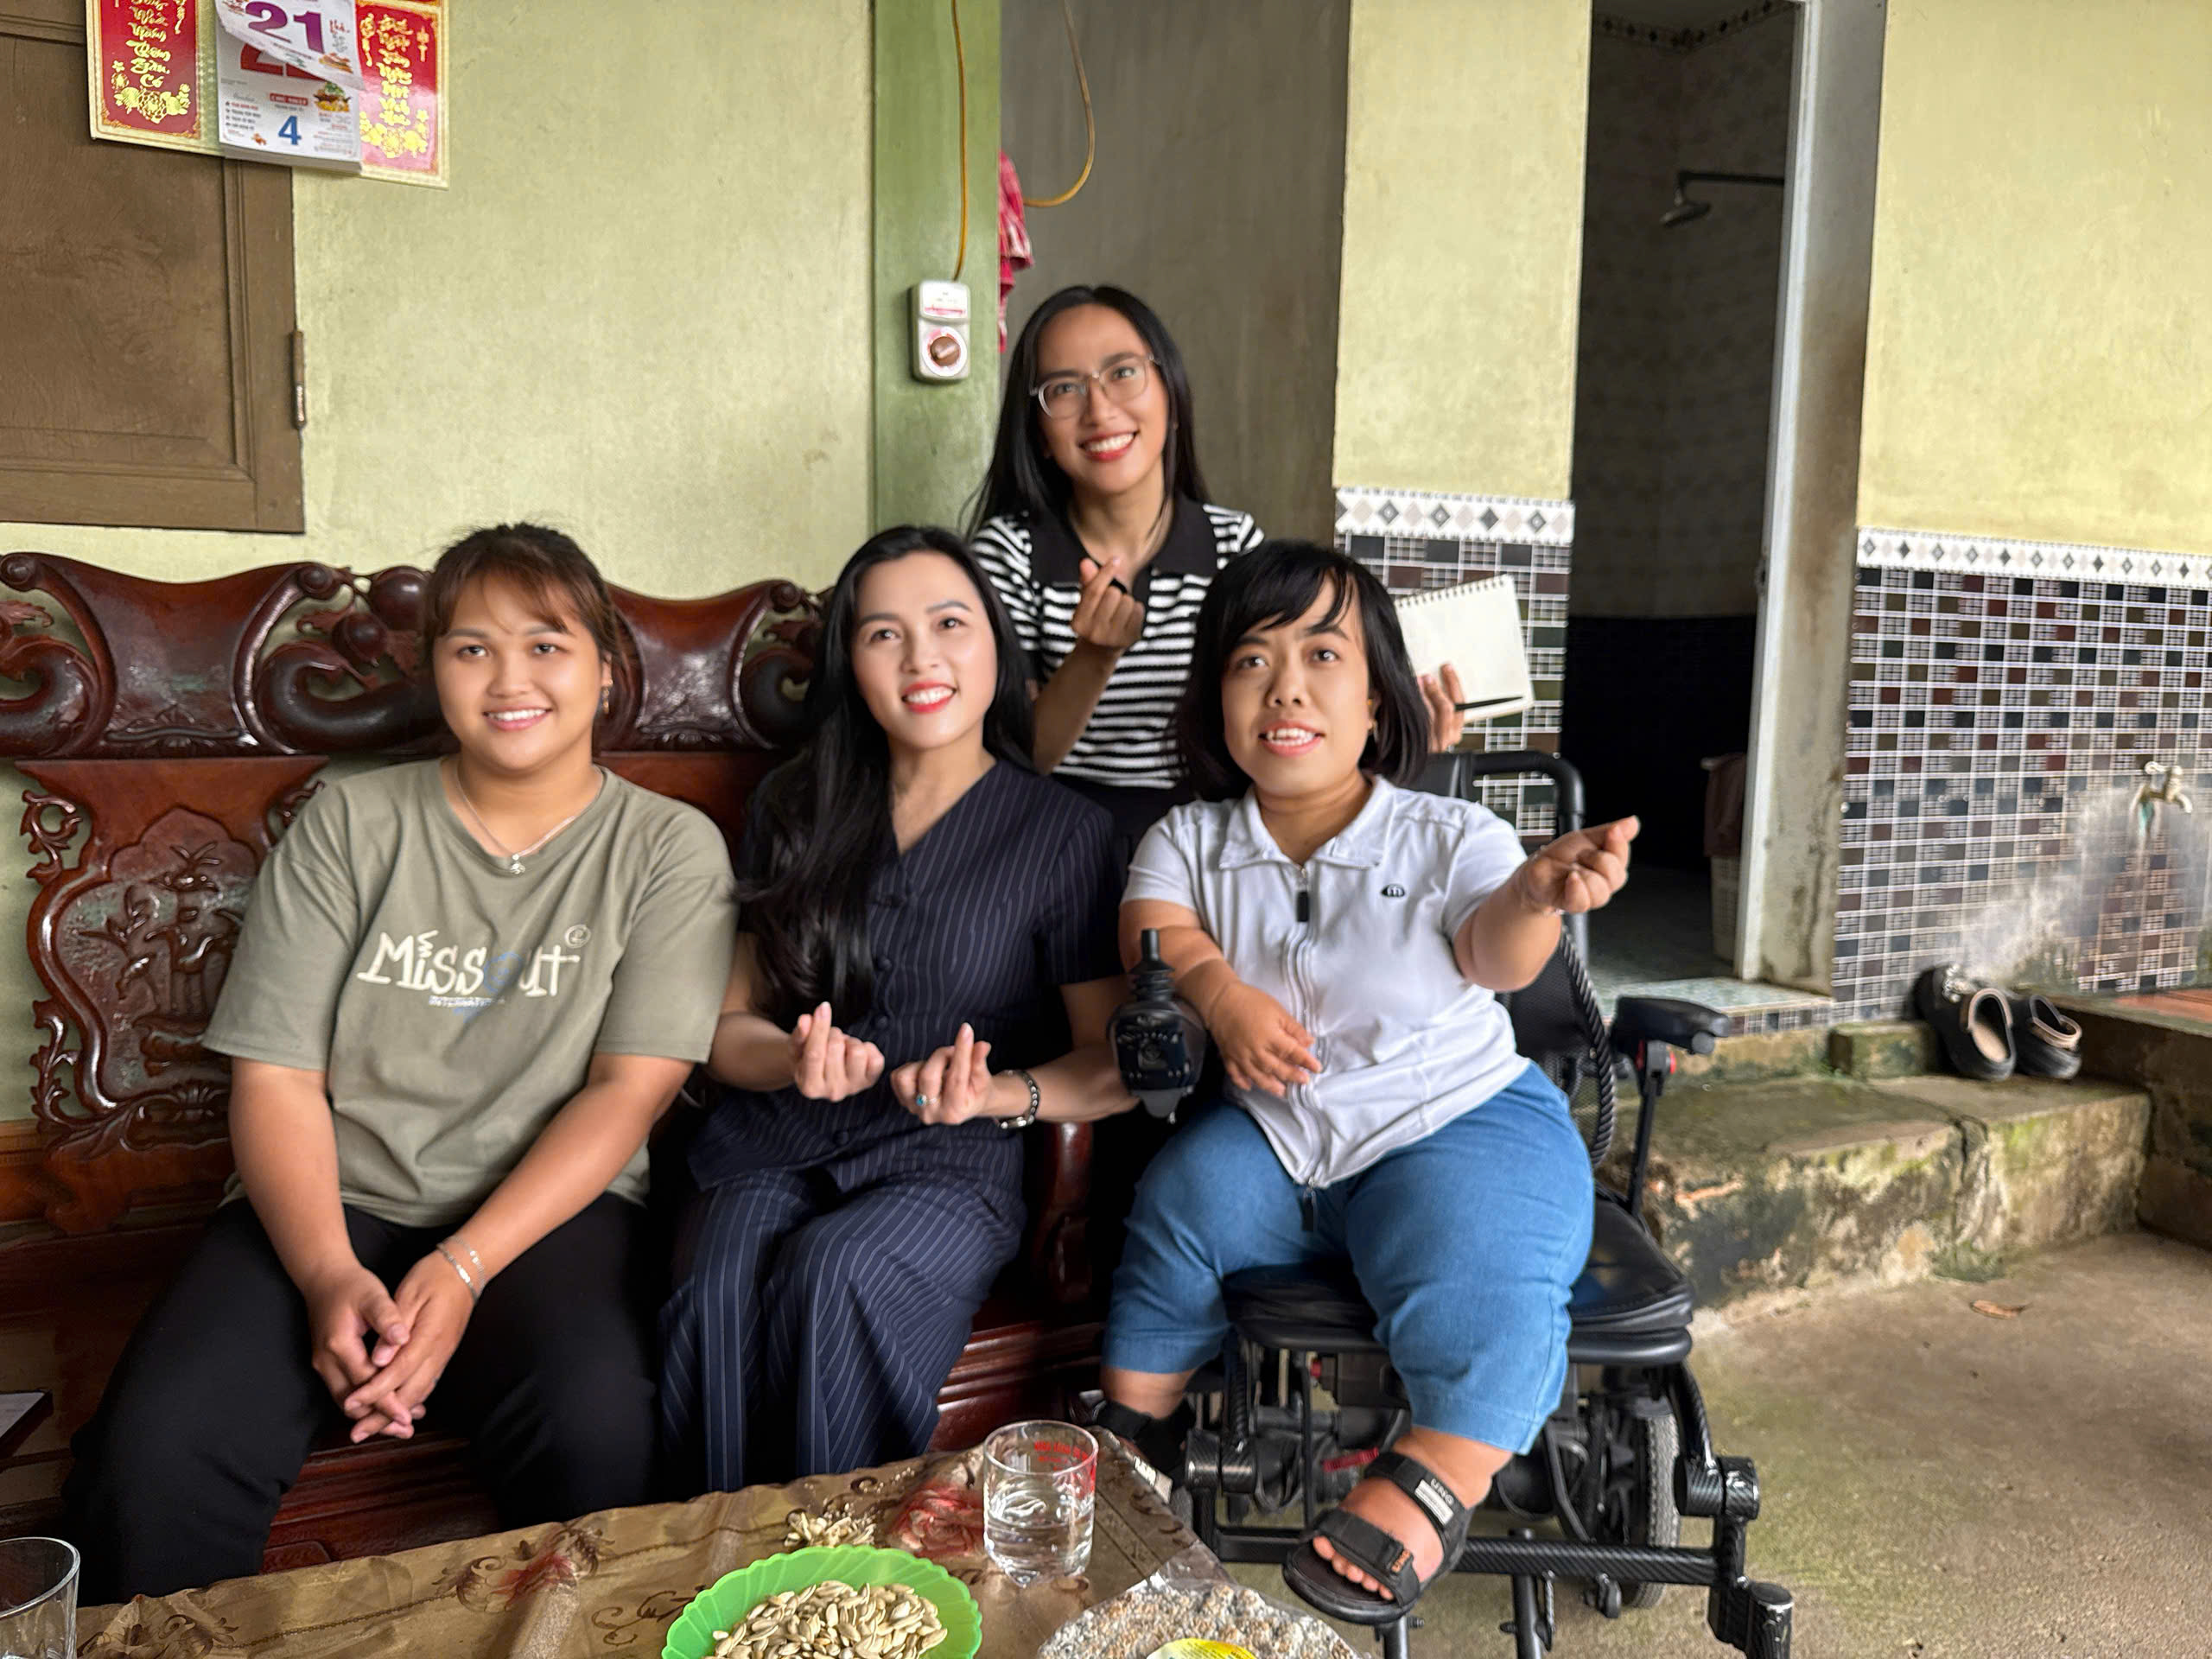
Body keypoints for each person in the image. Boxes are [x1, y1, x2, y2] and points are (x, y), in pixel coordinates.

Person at [62, 524, 737, 1602]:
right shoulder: (353, 821)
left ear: (608, 668)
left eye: (546, 645)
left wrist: (462, 1270)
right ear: (434, 670)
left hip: (548, 1215)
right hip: (332, 1197)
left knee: (597, 1429)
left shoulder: (666, 848)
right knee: (154, 1456)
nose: (508, 679)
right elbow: (276, 1078)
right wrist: (328, 1275)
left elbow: (630, 1091)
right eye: (471, 649)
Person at [1092, 540, 1637, 1622]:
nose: (1285, 687)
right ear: (1214, 700)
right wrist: (1219, 996)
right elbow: (1152, 933)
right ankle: (1132, 1435)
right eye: (1251, 661)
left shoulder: (1449, 832)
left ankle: (1437, 1471)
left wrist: (1533, 895)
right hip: (1282, 1137)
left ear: (1379, 700)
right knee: (1180, 1202)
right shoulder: (1188, 838)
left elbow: (1494, 955)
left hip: (1456, 1122)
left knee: (1476, 1260)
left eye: (1322, 655)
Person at [658, 526, 1133, 1496]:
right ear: (851, 664)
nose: (922, 658)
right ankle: (715, 1565)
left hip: (945, 1164)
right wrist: (792, 1061)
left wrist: (996, 1093)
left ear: (995, 644)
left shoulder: (1065, 833)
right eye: (884, 634)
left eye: (949, 624)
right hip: (772, 1138)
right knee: (716, 1283)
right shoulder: (796, 805)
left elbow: (1109, 1066)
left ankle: (841, 1566)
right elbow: (726, 1032)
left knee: (839, 1272)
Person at [969, 284, 1474, 862]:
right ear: (1037, 430)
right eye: (1063, 388)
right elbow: (1014, 756)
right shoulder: (1007, 555)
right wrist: (1093, 657)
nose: (1100, 409)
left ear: (1171, 394)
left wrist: (1399, 730)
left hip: (1212, 840)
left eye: (1124, 373)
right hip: (1053, 844)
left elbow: (1286, 710)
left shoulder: (1232, 544)